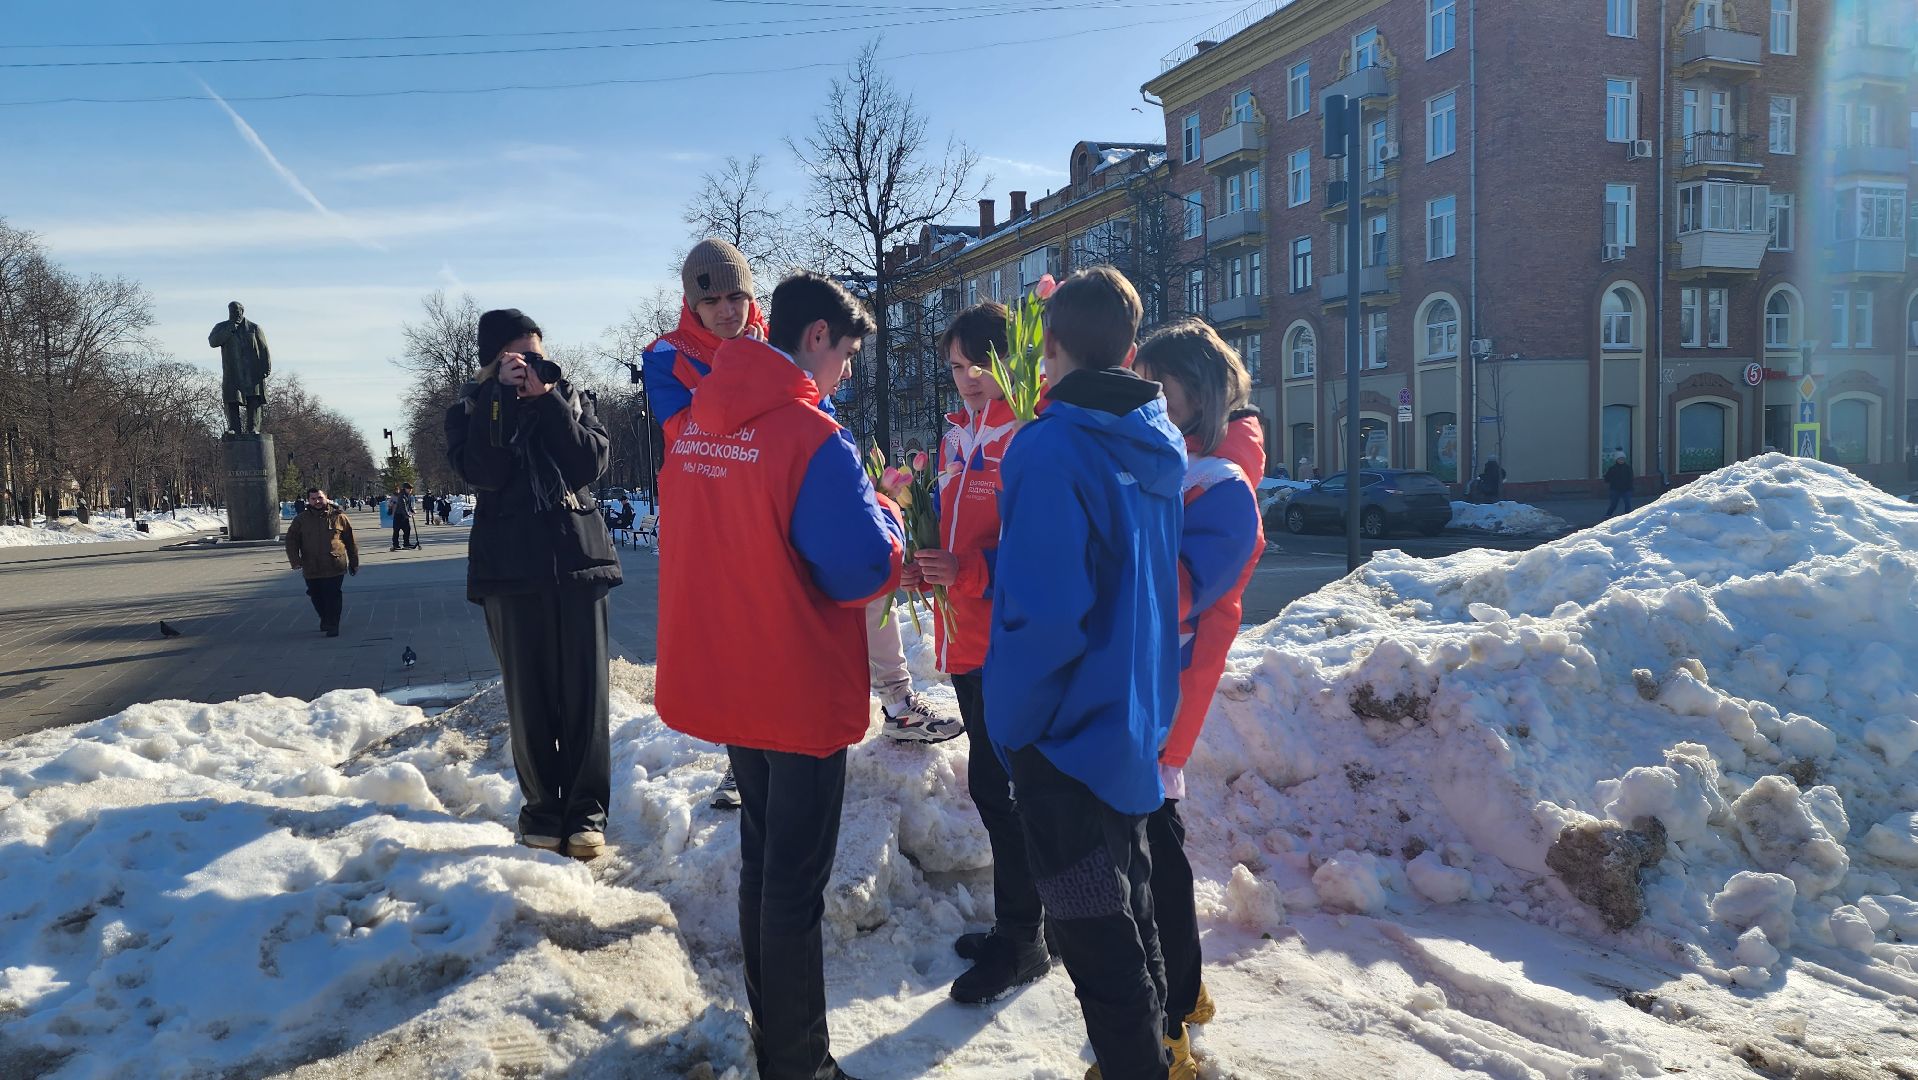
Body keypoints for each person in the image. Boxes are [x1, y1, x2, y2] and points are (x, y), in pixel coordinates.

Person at [654, 272, 901, 1080]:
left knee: (765, 864)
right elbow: (859, 568)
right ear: (817, 336)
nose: (847, 373)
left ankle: (776, 1037)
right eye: (848, 354)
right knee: (795, 883)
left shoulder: (697, 421)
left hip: (733, 678)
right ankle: (798, 1063)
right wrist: (892, 519)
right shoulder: (809, 435)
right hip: (795, 686)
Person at [645, 241, 954, 811]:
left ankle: (892, 696)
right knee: (796, 834)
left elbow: (797, 418)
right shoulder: (671, 356)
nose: (726, 310)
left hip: (747, 500)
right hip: (738, 517)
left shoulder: (774, 356)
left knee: (767, 825)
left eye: (737, 296)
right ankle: (763, 744)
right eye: (711, 301)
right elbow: (863, 565)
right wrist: (883, 512)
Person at [988, 266, 1185, 1080]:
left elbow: (1045, 615)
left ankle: (1136, 1065)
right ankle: (1157, 1056)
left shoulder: (1049, 447)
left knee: (1096, 941)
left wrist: (1011, 724)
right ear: (1131, 352)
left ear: (1051, 348)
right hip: (1130, 726)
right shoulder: (1158, 441)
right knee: (1131, 910)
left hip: (1063, 737)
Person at [902, 302, 1047, 1003]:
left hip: (1007, 642)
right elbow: (952, 531)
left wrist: (967, 572)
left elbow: (1038, 547)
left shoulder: (1025, 434)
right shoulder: (960, 435)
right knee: (994, 787)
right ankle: (1025, 926)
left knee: (1006, 790)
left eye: (976, 364)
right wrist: (926, 564)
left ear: (1007, 359)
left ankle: (1024, 941)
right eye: (956, 367)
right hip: (965, 636)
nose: (965, 379)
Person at [445, 308, 623, 861]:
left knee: (586, 697)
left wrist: (546, 401)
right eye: (517, 358)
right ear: (492, 363)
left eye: (536, 356)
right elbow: (485, 471)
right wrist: (500, 399)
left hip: (579, 562)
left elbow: (587, 464)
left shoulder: (572, 400)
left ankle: (587, 812)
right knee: (529, 699)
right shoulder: (470, 410)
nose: (530, 366)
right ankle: (543, 811)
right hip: (509, 570)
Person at [1132, 320, 1265, 1060]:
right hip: (1153, 673)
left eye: (1161, 384)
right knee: (1155, 841)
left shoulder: (1219, 479)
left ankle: (1173, 1017)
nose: (1148, 395)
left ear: (1203, 390)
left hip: (1170, 680)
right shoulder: (1180, 460)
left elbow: (1183, 590)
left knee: (1153, 852)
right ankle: (1183, 990)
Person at [283, 487, 359, 637]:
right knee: (316, 594)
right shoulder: (301, 519)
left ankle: (333, 624)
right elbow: (291, 541)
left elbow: (350, 541)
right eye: (313, 499)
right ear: (308, 500)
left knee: (333, 595)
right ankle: (325, 618)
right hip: (311, 565)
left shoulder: (339, 517)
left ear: (326, 498)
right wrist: (295, 560)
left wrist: (354, 562)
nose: (317, 501)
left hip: (334, 564)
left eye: (320, 498)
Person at [390, 483, 418, 550]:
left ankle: (406, 543)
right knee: (396, 530)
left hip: (404, 515)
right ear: (405, 489)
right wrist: (407, 515)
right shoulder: (401, 496)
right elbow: (403, 506)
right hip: (399, 515)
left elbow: (408, 505)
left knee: (407, 529)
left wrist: (412, 511)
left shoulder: (408, 495)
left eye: (411, 489)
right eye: (409, 489)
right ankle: (395, 545)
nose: (410, 490)